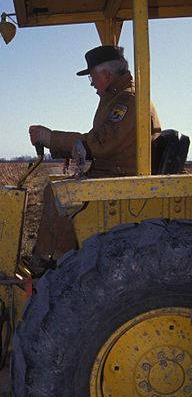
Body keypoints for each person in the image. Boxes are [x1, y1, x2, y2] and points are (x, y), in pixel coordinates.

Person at [28, 45, 161, 269]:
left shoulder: (127, 101)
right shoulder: (117, 97)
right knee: (54, 190)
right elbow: (99, 141)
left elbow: (100, 143)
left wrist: (51, 137)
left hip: (121, 177)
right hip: (114, 171)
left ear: (106, 75)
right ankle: (48, 258)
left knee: (62, 195)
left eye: (92, 77)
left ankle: (58, 263)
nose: (92, 84)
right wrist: (59, 147)